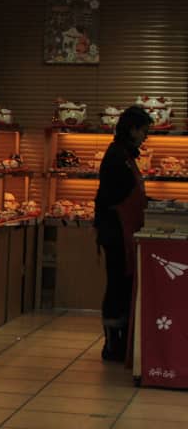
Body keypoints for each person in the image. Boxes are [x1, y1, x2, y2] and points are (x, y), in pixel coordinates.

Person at [93, 105, 152, 361]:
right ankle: (112, 343)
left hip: (123, 231)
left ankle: (121, 341)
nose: (145, 136)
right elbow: (113, 199)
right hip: (116, 233)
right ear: (132, 129)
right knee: (117, 285)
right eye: (143, 131)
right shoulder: (117, 158)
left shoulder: (125, 154)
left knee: (122, 284)